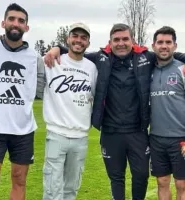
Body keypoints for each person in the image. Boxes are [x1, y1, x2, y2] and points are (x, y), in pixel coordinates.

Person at [44, 23, 185, 200]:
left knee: (141, 176)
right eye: (116, 40)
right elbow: (77, 50)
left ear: (133, 41)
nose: (121, 43)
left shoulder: (145, 57)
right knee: (116, 178)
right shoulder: (101, 58)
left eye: (125, 39)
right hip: (111, 132)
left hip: (137, 132)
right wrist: (58, 48)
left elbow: (168, 54)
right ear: (109, 42)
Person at [0, 3, 45, 200]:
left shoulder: (34, 57)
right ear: (3, 22)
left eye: (21, 21)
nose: (15, 23)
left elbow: (42, 88)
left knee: (19, 179)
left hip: (23, 130)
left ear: (26, 27)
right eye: (11, 19)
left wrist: (56, 48)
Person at [37, 23, 98, 200]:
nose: (79, 40)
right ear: (67, 39)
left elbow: (93, 95)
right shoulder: (51, 60)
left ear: (87, 42)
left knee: (71, 188)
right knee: (52, 189)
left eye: (83, 37)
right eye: (75, 36)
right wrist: (54, 49)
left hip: (80, 137)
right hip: (57, 134)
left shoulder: (91, 68)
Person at [150, 26, 185, 200]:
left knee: (182, 184)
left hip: (181, 139)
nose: (164, 46)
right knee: (162, 182)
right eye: (160, 42)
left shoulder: (183, 69)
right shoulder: (147, 70)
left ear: (175, 46)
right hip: (156, 138)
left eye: (168, 42)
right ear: (153, 45)